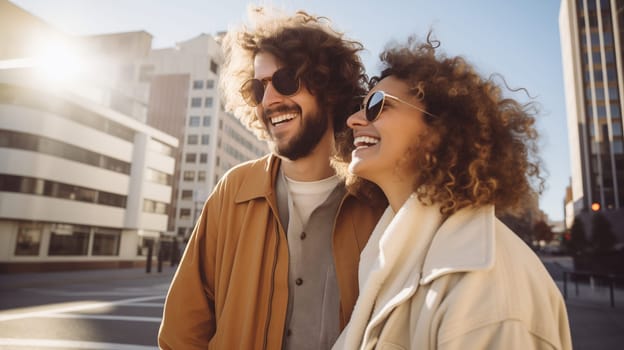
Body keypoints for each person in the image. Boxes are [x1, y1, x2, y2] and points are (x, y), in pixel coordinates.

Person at [158, 8, 383, 350]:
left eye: (286, 81)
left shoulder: (376, 198)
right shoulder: (232, 191)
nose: (270, 100)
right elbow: (182, 330)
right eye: (256, 89)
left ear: (329, 88)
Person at [331, 35, 573, 350]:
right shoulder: (390, 255)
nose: (353, 120)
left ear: (440, 130)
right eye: (359, 107)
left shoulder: (487, 287)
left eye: (377, 106)